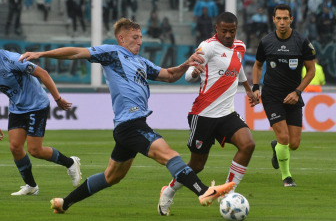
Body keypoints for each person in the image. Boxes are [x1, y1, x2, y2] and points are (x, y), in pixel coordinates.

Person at [19, 18, 235, 214]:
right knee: (169, 155)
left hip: (128, 126)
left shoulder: (141, 62)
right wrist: (41, 54)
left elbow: (169, 75)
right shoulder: (113, 53)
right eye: (135, 37)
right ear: (121, 38)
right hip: (131, 124)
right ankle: (203, 191)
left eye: (140, 37)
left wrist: (185, 64)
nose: (139, 41)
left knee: (111, 177)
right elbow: (77, 52)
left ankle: (63, 203)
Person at [157, 12, 258, 216]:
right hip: (203, 114)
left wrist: (248, 88)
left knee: (248, 144)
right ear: (216, 29)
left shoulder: (240, 47)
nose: (228, 35)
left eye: (232, 31)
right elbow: (188, 73)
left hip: (226, 114)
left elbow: (238, 70)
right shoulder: (208, 46)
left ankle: (228, 191)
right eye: (224, 31)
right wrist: (194, 73)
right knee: (197, 165)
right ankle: (168, 192)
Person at [0, 49, 82, 195]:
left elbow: (42, 73)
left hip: (36, 106)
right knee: (15, 147)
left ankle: (70, 163)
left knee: (35, 150)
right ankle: (31, 186)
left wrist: (58, 99)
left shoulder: (12, 60)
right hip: (17, 108)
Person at [251, 4, 316, 187]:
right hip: (272, 95)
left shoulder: (302, 42)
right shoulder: (266, 42)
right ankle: (286, 177)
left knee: (293, 143)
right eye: (278, 18)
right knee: (284, 137)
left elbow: (310, 71)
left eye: (285, 18)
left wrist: (297, 92)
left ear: (291, 20)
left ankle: (277, 147)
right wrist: (256, 87)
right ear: (273, 19)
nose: (281, 22)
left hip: (293, 95)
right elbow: (257, 65)